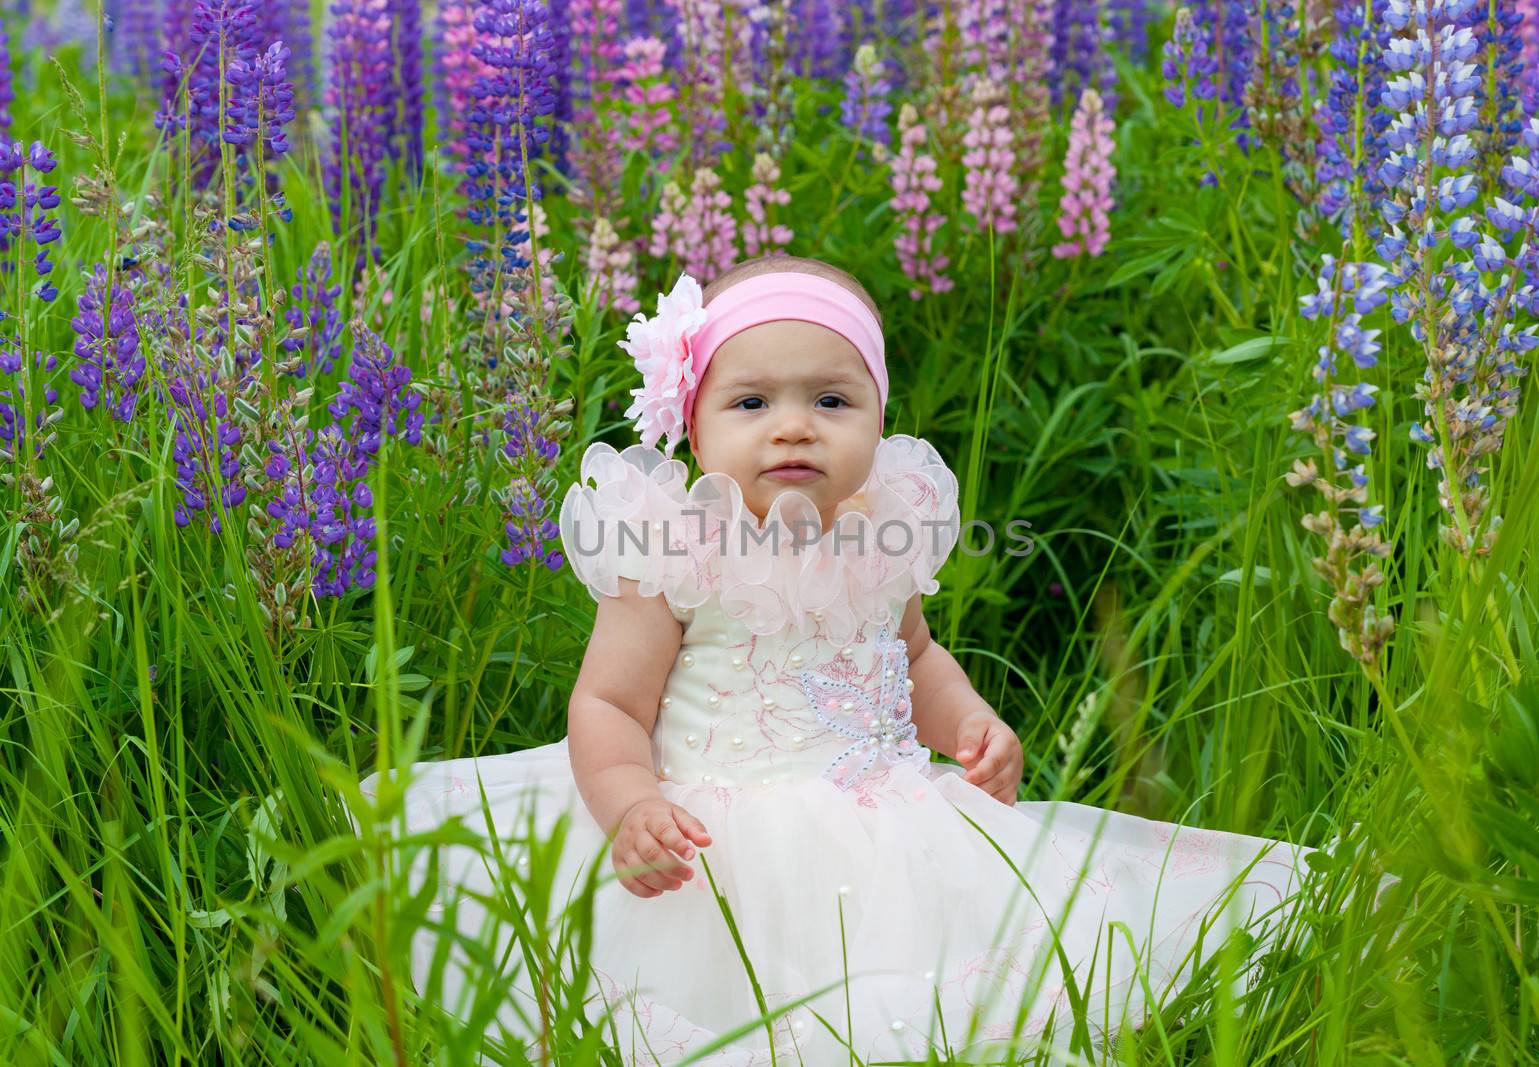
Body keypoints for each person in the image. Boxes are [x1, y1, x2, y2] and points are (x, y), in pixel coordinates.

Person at [359, 255, 1327, 1064]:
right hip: (711, 830)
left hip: (889, 819)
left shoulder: (885, 530)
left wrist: (969, 725)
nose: (793, 424)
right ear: (692, 428)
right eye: (751, 400)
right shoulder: (673, 544)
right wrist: (628, 806)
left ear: (876, 416)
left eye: (831, 397)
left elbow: (915, 653)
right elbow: (607, 703)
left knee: (990, 965)